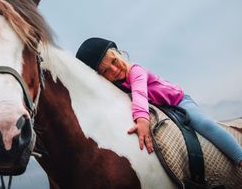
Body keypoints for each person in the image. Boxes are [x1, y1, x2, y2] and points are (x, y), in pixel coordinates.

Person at [76, 37, 242, 167]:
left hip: (177, 102)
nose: (114, 69)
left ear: (119, 54)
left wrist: (142, 121)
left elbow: (140, 94)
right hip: (162, 111)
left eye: (114, 61)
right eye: (106, 71)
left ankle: (239, 157)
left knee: (204, 124)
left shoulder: (136, 71)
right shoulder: (116, 88)